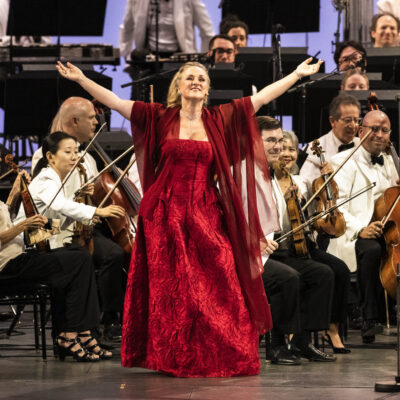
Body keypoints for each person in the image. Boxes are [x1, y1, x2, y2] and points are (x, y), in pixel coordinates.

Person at [56, 56, 323, 377]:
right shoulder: (160, 117)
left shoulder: (218, 118)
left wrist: (296, 74)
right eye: (189, 77)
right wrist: (82, 80)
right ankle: (175, 354)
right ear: (178, 87)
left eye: (201, 78)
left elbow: (262, 98)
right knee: (176, 289)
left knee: (221, 280)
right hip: (165, 214)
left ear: (208, 88)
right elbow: (114, 101)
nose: (196, 81)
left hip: (206, 212)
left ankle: (221, 350)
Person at [31, 98, 127, 342]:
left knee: (116, 254)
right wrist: (93, 211)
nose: (97, 122)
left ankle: (111, 316)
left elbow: (95, 197)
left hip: (86, 228)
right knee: (93, 258)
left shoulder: (88, 158)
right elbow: (53, 201)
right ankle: (92, 325)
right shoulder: (44, 157)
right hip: (60, 231)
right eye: (92, 117)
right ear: (75, 121)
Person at [259, 117, 349, 360]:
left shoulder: (290, 181)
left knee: (324, 273)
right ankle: (277, 344)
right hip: (262, 249)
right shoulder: (255, 175)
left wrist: (295, 200)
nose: (280, 150)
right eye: (273, 142)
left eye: (283, 143)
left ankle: (302, 340)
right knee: (290, 278)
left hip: (281, 246)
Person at [0, 169, 108, 362]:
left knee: (78, 254)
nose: (74, 156)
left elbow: (4, 223)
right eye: (68, 152)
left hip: (18, 258)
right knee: (78, 261)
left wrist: (13, 195)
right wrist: (23, 226)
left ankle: (76, 332)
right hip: (8, 266)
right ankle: (75, 333)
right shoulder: (46, 178)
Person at [327, 110, 397, 343]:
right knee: (372, 250)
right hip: (353, 231)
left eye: (384, 130)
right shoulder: (342, 162)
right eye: (373, 129)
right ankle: (370, 317)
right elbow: (337, 207)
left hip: (387, 228)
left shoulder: (390, 162)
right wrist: (360, 228)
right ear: (360, 131)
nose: (379, 134)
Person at [299, 93, 361, 195]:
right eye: (348, 120)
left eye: (356, 120)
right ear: (333, 121)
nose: (353, 125)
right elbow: (305, 188)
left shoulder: (362, 145)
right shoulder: (312, 150)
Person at [119, 0, 215, 60]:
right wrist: (126, 55)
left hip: (181, 59)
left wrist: (203, 61)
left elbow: (207, 32)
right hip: (148, 59)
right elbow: (127, 27)